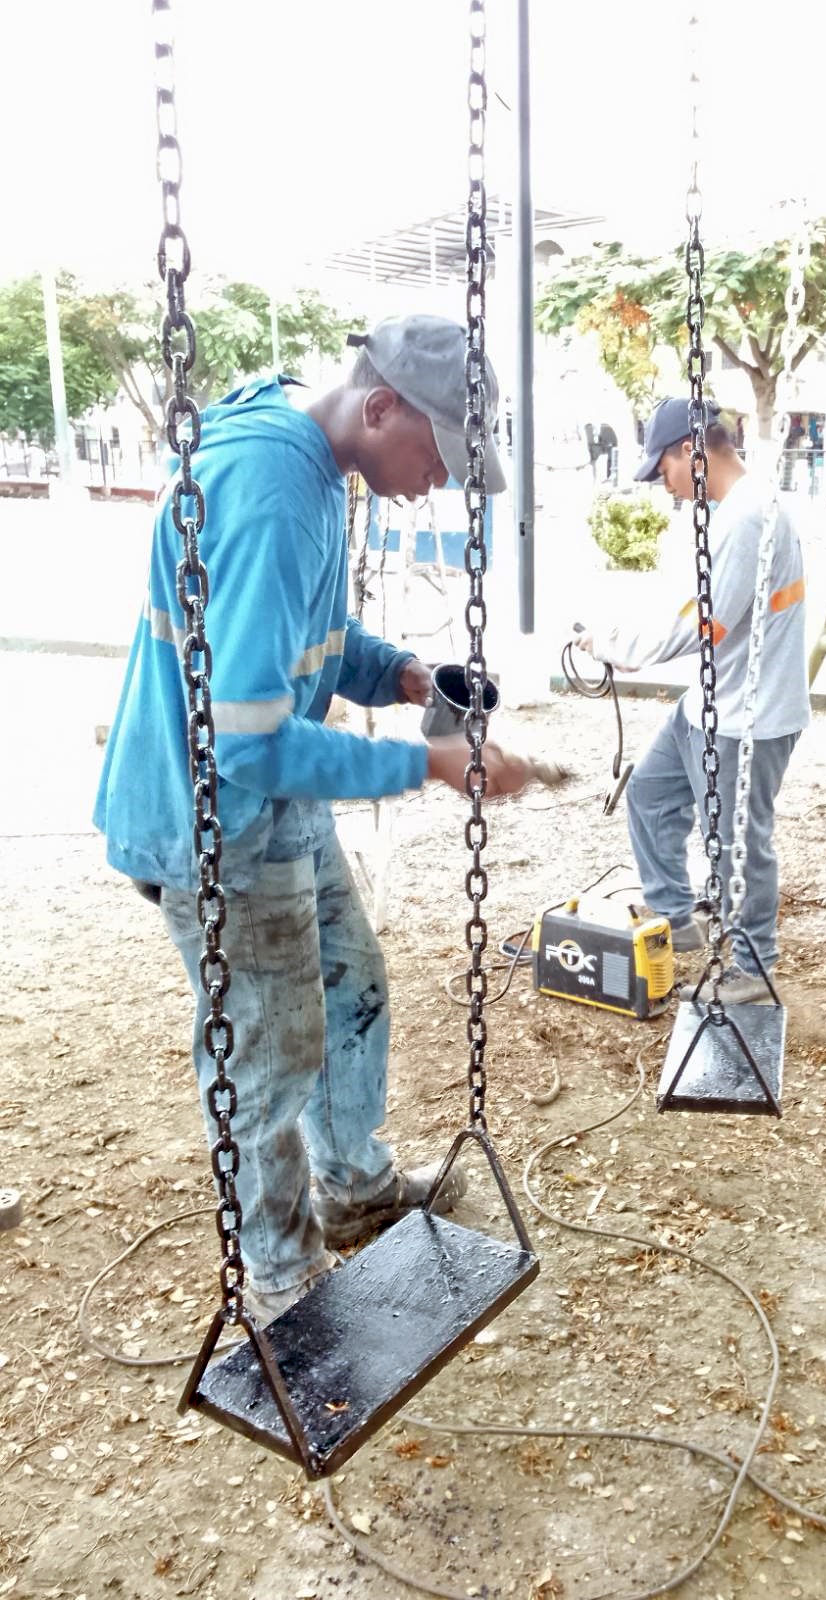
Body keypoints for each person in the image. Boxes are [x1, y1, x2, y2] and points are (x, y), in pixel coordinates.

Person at [94, 314, 532, 1323]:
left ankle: (354, 1184)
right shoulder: (275, 490)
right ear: (381, 406)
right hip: (215, 814)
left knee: (351, 980)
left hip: (272, 800)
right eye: (438, 453)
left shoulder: (315, 457)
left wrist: (399, 673)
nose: (441, 480)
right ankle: (281, 1275)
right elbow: (248, 736)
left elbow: (308, 634)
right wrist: (425, 761)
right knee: (269, 1048)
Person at [576, 397, 809, 1004]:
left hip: (747, 718)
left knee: (736, 842)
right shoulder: (733, 510)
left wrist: (619, 645)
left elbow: (706, 624)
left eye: (665, 469)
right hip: (709, 704)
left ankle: (753, 968)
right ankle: (677, 919)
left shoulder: (750, 516)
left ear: (691, 450)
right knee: (650, 794)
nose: (666, 484)